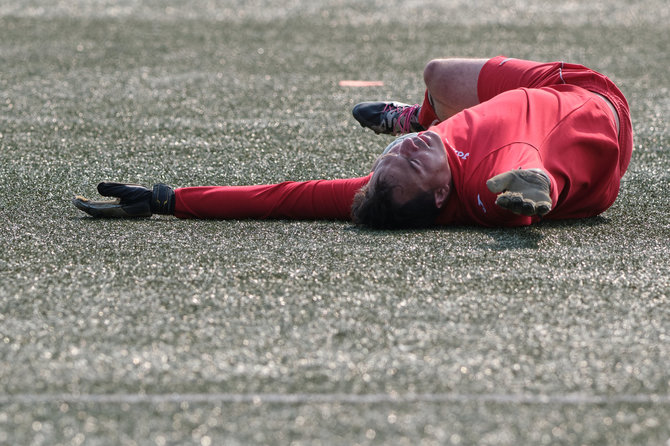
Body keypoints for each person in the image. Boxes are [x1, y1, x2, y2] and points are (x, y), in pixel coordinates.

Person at [73, 56, 632, 229]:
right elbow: (511, 179)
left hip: (582, 177)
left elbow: (284, 198)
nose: (402, 153)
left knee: (447, 85)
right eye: (411, 156)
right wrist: (524, 197)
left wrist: (170, 198)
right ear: (439, 196)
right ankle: (420, 114)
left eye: (392, 153)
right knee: (443, 74)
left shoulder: (395, 192)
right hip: (590, 99)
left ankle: (417, 116)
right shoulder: (490, 166)